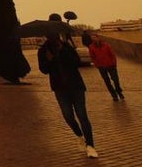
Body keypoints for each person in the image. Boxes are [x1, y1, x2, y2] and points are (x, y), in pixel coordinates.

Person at [38, 28, 98, 158]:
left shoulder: (66, 46)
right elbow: (43, 70)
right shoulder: (43, 51)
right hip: (59, 88)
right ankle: (79, 135)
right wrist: (50, 60)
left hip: (76, 86)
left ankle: (90, 145)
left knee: (82, 115)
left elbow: (76, 62)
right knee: (68, 116)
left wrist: (63, 52)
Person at [82, 33, 124, 101]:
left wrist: (114, 63)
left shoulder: (106, 45)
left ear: (98, 38)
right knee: (107, 82)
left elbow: (112, 54)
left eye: (95, 37)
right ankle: (114, 95)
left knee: (115, 80)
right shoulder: (91, 47)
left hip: (111, 65)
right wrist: (97, 65)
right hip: (101, 67)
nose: (94, 39)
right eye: (92, 38)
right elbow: (93, 57)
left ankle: (119, 91)